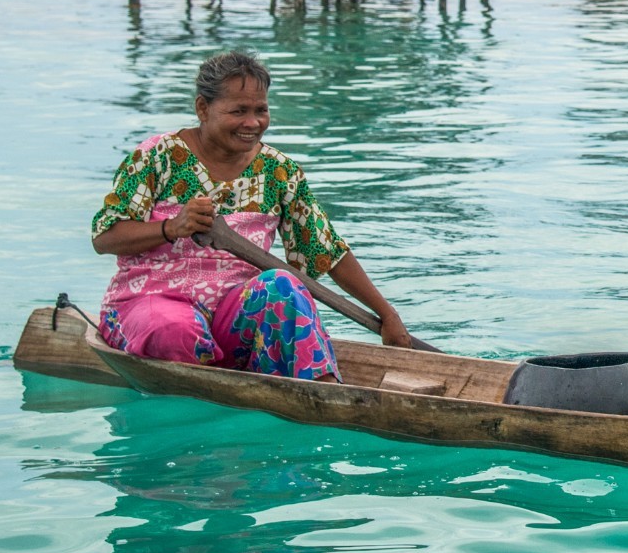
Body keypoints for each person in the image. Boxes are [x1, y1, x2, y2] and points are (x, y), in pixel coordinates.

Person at [90, 50, 416, 381]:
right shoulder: (157, 157)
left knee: (284, 285)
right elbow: (105, 237)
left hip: (234, 317)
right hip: (152, 302)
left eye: (261, 110)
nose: (253, 123)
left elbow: (326, 251)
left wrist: (387, 314)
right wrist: (171, 227)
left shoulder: (279, 172)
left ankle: (324, 388)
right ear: (203, 108)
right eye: (239, 111)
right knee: (176, 330)